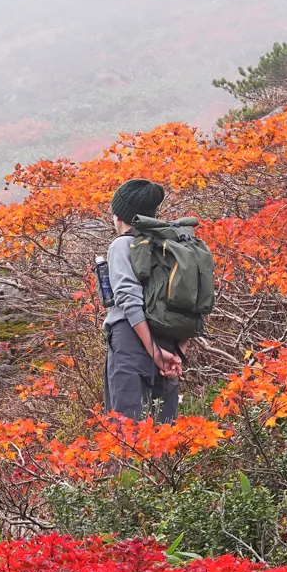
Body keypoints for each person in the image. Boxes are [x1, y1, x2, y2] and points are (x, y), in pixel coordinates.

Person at [102, 177, 182, 424]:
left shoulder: (122, 245)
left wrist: (152, 351)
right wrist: (174, 354)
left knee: (126, 431)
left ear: (119, 216)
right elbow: (191, 301)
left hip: (130, 340)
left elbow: (127, 297)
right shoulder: (172, 245)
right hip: (169, 340)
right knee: (164, 431)